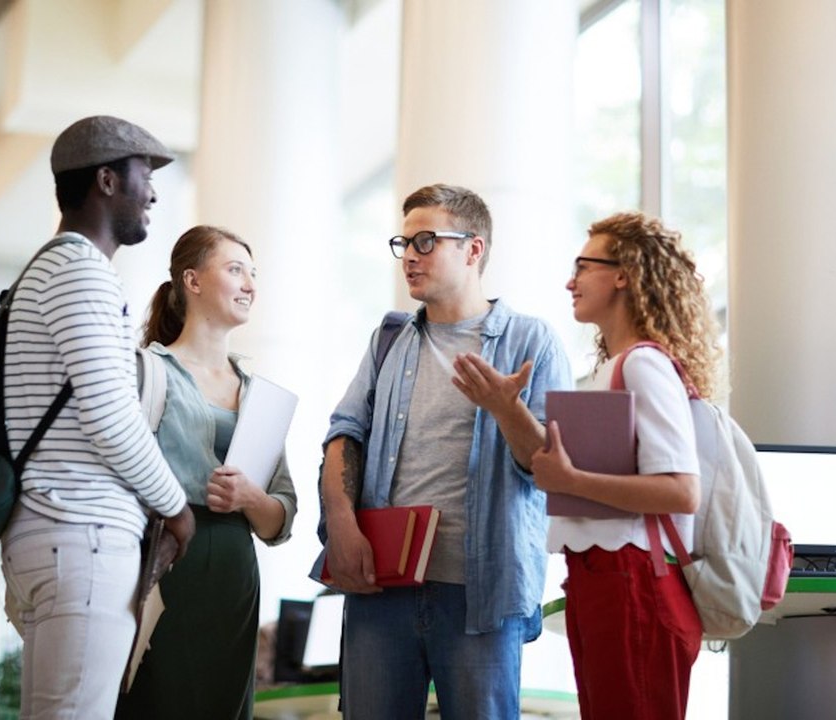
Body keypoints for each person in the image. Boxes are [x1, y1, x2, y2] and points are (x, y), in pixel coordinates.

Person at [318, 183, 572, 720]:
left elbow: (549, 469)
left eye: (426, 241)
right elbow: (345, 431)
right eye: (404, 243)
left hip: (480, 595)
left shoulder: (532, 341)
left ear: (473, 249)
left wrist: (506, 409)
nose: (409, 255)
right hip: (382, 584)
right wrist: (340, 523)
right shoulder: (389, 339)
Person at [0, 115, 197, 720]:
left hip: (52, 533)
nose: (154, 194)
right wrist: (176, 507)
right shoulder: (79, 270)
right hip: (81, 537)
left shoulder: (49, 271)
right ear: (107, 181)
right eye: (145, 176)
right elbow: (111, 418)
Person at [530, 211, 721, 719]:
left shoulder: (643, 364)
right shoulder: (612, 368)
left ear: (624, 273)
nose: (570, 281)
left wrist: (570, 481)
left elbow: (682, 491)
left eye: (583, 266)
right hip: (604, 578)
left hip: (632, 581)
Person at [115, 225, 297, 720]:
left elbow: (282, 518)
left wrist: (250, 499)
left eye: (253, 274)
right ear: (192, 281)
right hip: (166, 566)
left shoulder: (261, 395)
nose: (250, 284)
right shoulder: (144, 371)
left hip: (235, 578)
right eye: (235, 269)